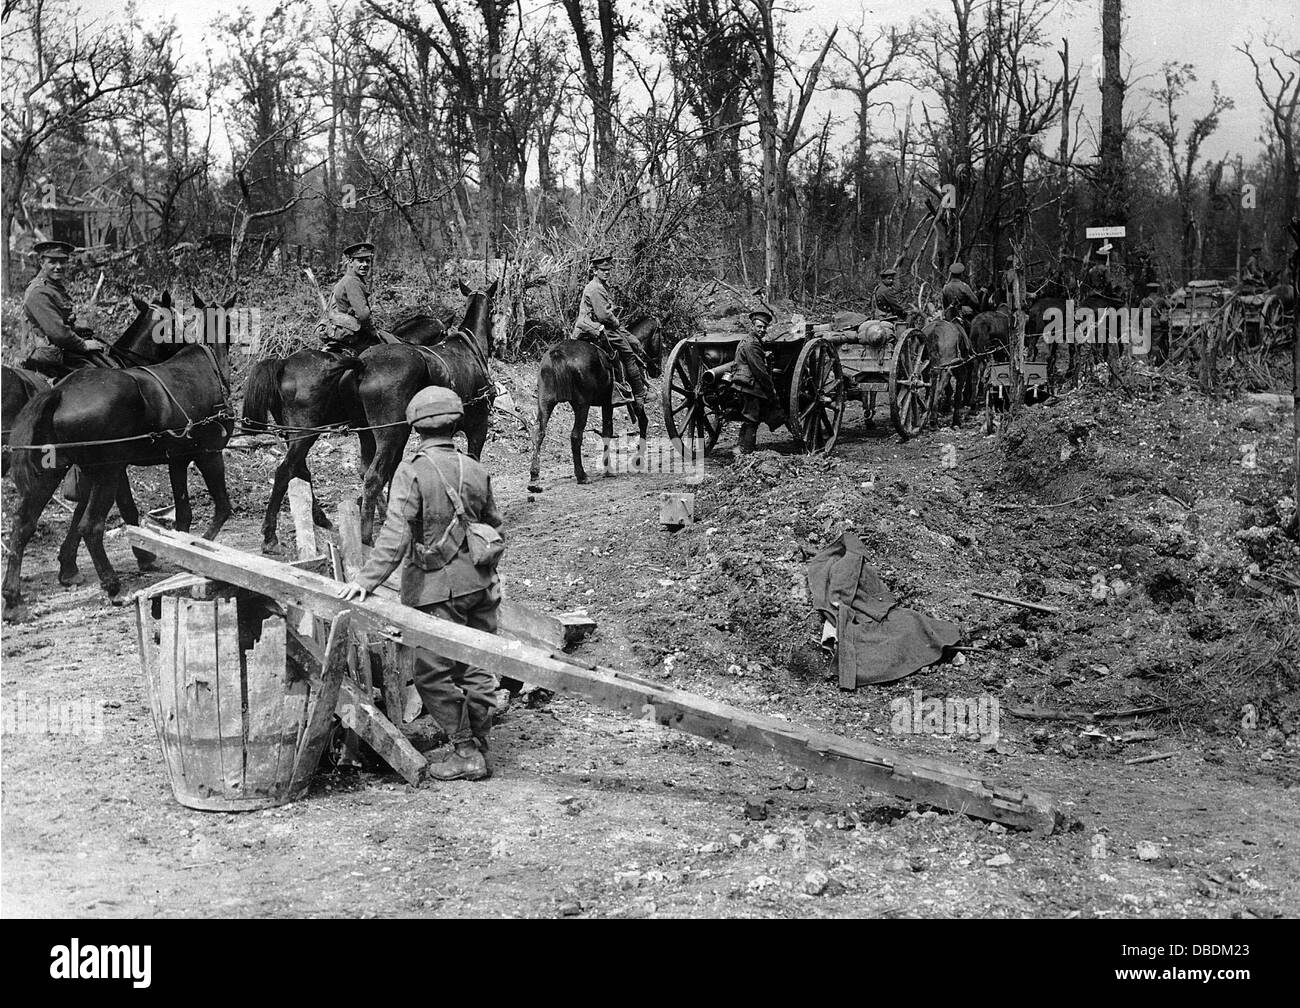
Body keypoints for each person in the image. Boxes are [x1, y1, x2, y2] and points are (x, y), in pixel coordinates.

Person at [337, 387, 505, 782]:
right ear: (455, 423)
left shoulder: (412, 470)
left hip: (436, 589)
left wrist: (365, 581)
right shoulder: (475, 468)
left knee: (431, 672)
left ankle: (465, 751)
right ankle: (479, 742)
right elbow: (494, 527)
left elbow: (395, 537)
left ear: (415, 427)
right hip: (480, 585)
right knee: (477, 667)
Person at [23, 240, 108, 375]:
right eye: (52, 262)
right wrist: (84, 345)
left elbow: (63, 322)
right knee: (100, 377)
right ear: (41, 263)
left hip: (61, 350)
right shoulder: (39, 292)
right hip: (46, 356)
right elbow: (58, 333)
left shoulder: (54, 287)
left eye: (62, 262)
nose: (58, 267)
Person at [572, 252, 645, 407]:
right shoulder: (595, 288)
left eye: (608, 270)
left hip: (591, 324)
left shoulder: (600, 287)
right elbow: (603, 315)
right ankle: (639, 393)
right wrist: (616, 321)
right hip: (593, 327)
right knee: (629, 353)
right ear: (594, 271)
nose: (606, 272)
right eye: (602, 269)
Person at [731, 308, 786, 456]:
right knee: (752, 419)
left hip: (742, 384)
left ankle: (740, 449)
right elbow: (760, 372)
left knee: (749, 418)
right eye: (759, 327)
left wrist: (763, 354)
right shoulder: (752, 344)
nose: (762, 330)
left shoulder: (748, 340)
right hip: (750, 387)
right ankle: (747, 453)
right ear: (752, 327)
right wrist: (772, 392)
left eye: (764, 327)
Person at [323, 242, 381, 355]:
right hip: (349, 334)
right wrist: (374, 332)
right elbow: (363, 315)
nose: (365, 264)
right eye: (360, 261)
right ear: (350, 261)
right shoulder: (352, 281)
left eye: (367, 261)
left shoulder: (347, 279)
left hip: (340, 330)